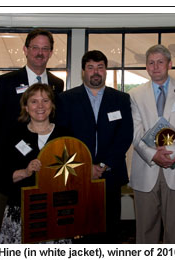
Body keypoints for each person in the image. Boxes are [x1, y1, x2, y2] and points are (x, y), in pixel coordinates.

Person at [0, 28, 64, 242]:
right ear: (25, 50)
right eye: (35, 47)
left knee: (44, 230)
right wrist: (6, 155)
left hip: (46, 174)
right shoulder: (5, 82)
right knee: (6, 230)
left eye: (45, 48)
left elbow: (56, 123)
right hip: (11, 172)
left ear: (51, 52)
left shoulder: (57, 84)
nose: (40, 53)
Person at [56, 50, 133, 243]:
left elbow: (125, 136)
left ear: (106, 70)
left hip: (111, 174)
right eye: (90, 67)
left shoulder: (121, 99)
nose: (95, 72)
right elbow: (63, 138)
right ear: (83, 71)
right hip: (76, 175)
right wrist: (84, 167)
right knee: (79, 228)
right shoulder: (66, 99)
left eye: (100, 67)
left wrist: (103, 165)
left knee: (110, 229)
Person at [129, 44, 175, 244]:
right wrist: (153, 155)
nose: (156, 66)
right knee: (145, 231)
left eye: (160, 62)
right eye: (151, 62)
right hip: (145, 167)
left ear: (170, 64)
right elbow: (135, 131)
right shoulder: (135, 94)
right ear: (146, 67)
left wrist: (170, 153)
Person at [0, 83, 70, 243]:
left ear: (52, 106)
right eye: (34, 101)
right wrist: (25, 172)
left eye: (45, 101)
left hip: (56, 213)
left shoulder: (66, 135)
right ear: (25, 106)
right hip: (20, 212)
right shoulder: (10, 135)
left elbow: (77, 176)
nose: (40, 106)